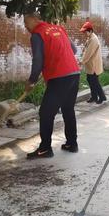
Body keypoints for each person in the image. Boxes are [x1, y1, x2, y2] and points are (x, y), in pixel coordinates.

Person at [23, 12, 80, 157]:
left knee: (45, 113)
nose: (26, 27)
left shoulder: (37, 34)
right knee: (68, 109)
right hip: (74, 73)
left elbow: (37, 61)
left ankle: (45, 148)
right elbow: (73, 50)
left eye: (26, 22)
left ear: (35, 19)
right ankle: (72, 143)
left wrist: (31, 81)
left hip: (59, 77)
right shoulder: (58, 29)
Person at [79, 21, 107, 105]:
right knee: (90, 80)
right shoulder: (90, 38)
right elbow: (86, 50)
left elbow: (88, 53)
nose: (84, 33)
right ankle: (94, 96)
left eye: (85, 31)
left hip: (94, 66)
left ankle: (101, 97)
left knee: (94, 82)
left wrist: (81, 62)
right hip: (90, 65)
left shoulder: (93, 40)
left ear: (90, 31)